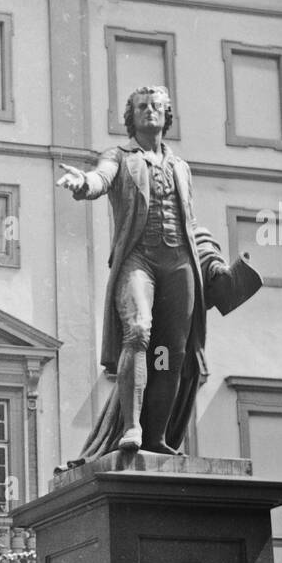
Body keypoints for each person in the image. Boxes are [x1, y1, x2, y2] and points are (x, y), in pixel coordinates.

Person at [57, 85, 261, 459]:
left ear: (167, 115)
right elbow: (101, 178)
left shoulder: (181, 167)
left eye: (156, 106)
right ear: (130, 117)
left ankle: (155, 434)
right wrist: (84, 183)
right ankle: (132, 425)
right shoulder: (120, 156)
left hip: (179, 262)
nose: (149, 111)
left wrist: (213, 264)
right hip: (139, 259)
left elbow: (191, 223)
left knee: (172, 352)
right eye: (140, 107)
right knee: (138, 330)